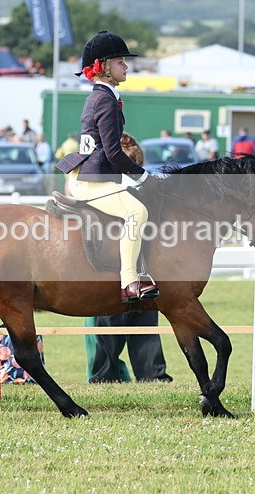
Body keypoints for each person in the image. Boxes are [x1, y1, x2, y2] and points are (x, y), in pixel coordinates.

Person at [55, 29, 159, 303]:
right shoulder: (105, 100)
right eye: (120, 62)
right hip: (92, 180)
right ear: (102, 67)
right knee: (137, 212)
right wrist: (145, 177)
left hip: (91, 174)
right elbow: (113, 153)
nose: (126, 66)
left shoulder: (102, 97)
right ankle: (130, 282)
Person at [85, 133, 172, 384]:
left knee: (117, 324)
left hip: (122, 269)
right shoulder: (137, 189)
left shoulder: (110, 189)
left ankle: (106, 375)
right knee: (140, 323)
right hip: (137, 270)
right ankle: (150, 374)